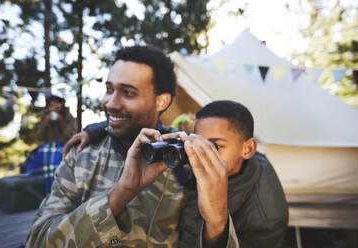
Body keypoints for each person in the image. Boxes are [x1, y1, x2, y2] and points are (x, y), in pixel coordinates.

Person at [26, 45, 238, 248]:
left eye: (128, 93)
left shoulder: (185, 160)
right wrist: (121, 192)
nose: (110, 103)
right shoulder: (81, 154)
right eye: (109, 89)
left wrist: (218, 224)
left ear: (161, 102)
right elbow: (36, 241)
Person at [64, 100, 289, 248]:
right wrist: (96, 130)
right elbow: (156, 131)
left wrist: (217, 224)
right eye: (196, 142)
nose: (200, 153)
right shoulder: (198, 159)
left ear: (247, 148)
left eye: (215, 146)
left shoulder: (266, 213)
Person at [22, 94, 77, 193]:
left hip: (64, 147)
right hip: (46, 149)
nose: (54, 109)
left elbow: (72, 136)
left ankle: (59, 189)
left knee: (57, 154)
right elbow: (38, 137)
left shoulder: (68, 118)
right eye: (51, 106)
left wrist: (61, 123)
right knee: (38, 155)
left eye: (57, 106)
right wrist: (45, 123)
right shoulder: (44, 118)